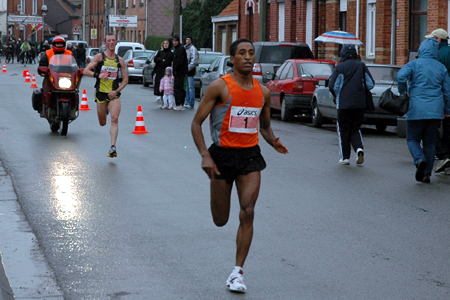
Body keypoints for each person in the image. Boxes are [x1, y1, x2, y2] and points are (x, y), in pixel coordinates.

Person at [191, 38, 289, 293]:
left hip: (249, 156)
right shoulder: (219, 87)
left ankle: (237, 273)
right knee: (220, 220)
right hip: (221, 157)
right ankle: (235, 267)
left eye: (251, 53)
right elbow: (196, 123)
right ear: (232, 59)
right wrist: (205, 155)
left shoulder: (263, 92)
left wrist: (273, 141)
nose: (247, 57)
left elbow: (264, 126)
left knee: (248, 211)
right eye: (242, 53)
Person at [397, 38, 450, 183]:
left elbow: (401, 76)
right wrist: (447, 109)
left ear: (421, 50)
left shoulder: (414, 64)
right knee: (430, 142)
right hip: (435, 111)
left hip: (416, 108)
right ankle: (427, 174)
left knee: (413, 139)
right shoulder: (441, 68)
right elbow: (447, 92)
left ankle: (419, 159)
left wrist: (403, 92)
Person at [83, 33, 128, 158]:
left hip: (114, 94)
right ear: (105, 43)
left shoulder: (120, 60)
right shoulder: (99, 57)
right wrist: (98, 75)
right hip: (101, 94)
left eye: (114, 40)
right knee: (102, 122)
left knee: (115, 118)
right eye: (109, 40)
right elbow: (85, 71)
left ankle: (113, 146)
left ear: (116, 42)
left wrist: (117, 91)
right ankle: (105, 109)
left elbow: (125, 80)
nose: (112, 42)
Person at [328, 44, 374, 165]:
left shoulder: (340, 68)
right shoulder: (361, 66)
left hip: (343, 104)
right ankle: (359, 148)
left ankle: (345, 157)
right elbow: (370, 84)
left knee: (343, 129)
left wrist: (338, 95)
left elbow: (332, 86)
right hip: (359, 103)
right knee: (355, 128)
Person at [425, 29, 450, 174]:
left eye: (432, 39)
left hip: (439, 96)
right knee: (448, 130)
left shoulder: (436, 55)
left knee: (430, 128)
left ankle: (443, 155)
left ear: (438, 40)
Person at [172, 36, 188, 111]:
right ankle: (178, 103)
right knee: (177, 88)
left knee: (179, 88)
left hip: (180, 72)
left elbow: (180, 61)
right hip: (177, 72)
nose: (174, 42)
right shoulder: (176, 49)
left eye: (175, 41)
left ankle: (180, 103)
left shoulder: (181, 49)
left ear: (178, 41)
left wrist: (175, 68)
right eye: (173, 41)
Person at [184, 34, 199, 109]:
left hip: (190, 71)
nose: (187, 41)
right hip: (185, 71)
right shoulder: (184, 48)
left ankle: (191, 102)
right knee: (187, 87)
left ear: (191, 41)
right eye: (187, 40)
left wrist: (188, 68)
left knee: (190, 87)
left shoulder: (193, 49)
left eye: (189, 40)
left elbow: (194, 61)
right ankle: (187, 101)